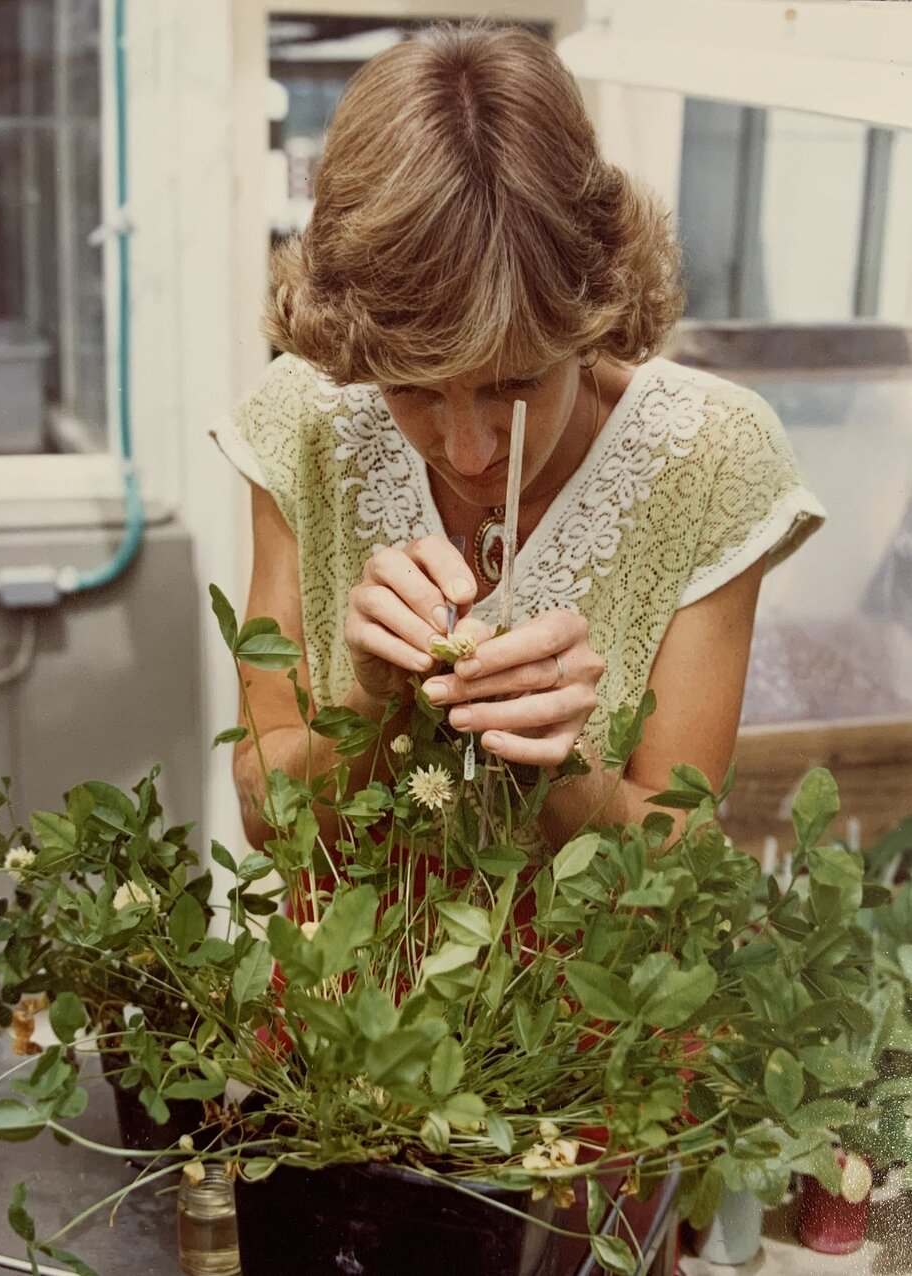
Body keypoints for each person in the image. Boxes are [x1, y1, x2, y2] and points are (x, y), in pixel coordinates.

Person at [216, 22, 824, 854]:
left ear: (590, 315)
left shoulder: (707, 458)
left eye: (514, 383)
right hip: (341, 970)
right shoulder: (309, 419)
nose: (467, 453)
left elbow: (675, 861)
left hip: (597, 983)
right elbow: (261, 817)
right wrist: (375, 705)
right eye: (412, 388)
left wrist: (555, 764)